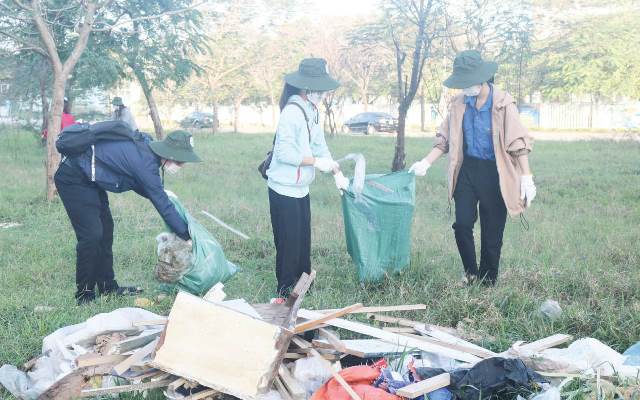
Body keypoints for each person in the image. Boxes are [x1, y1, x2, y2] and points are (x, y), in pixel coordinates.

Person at [409, 50, 537, 286]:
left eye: (467, 83)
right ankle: (470, 273)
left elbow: (518, 143)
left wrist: (526, 177)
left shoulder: (503, 103)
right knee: (462, 224)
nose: (464, 88)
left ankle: (488, 282)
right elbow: (444, 139)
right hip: (467, 170)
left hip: (495, 172)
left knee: (492, 232)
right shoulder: (459, 104)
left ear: (481, 78)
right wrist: (426, 162)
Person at [54, 130, 201, 304]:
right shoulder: (145, 162)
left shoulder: (147, 154)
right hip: (73, 177)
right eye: (181, 161)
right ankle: (84, 294)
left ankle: (108, 287)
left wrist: (161, 194)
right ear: (170, 154)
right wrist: (186, 235)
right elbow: (162, 204)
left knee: (106, 231)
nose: (181, 165)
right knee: (92, 235)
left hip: (91, 180)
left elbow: (139, 184)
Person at [266, 58, 349, 300]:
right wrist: (314, 162)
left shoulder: (312, 111)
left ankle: (303, 288)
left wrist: (336, 172)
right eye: (319, 88)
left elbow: (319, 145)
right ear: (306, 87)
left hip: (301, 188)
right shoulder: (291, 112)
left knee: (303, 242)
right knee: (288, 243)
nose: (322, 93)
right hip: (283, 188)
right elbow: (284, 153)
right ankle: (284, 293)